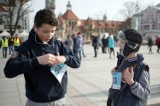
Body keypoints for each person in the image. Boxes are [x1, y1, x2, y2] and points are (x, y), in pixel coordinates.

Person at [4, 9, 80, 106]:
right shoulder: (25, 47)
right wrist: (36, 61)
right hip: (37, 102)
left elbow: (77, 61)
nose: (49, 35)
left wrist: (64, 58)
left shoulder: (58, 44)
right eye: (45, 31)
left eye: (53, 31)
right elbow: (8, 70)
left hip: (60, 100)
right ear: (35, 27)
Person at [107, 29, 150, 106]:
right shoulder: (123, 61)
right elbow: (118, 86)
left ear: (131, 46)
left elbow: (146, 94)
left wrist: (132, 83)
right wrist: (116, 75)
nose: (119, 44)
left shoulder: (141, 68)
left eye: (122, 42)